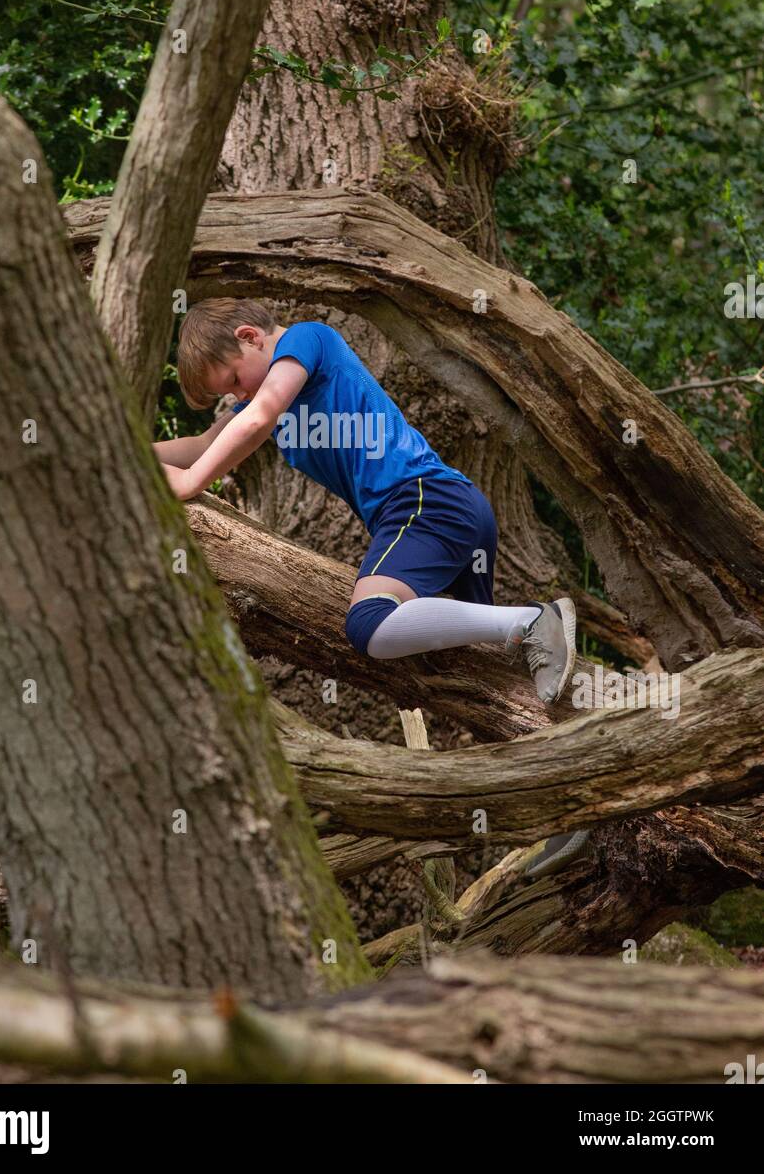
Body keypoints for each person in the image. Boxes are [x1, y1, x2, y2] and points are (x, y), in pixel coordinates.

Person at [155, 298, 589, 880]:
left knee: (369, 626)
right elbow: (201, 445)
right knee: (493, 681)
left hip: (422, 502)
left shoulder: (303, 341)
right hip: (452, 512)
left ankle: (534, 619)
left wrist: (188, 484)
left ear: (251, 336)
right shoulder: (259, 398)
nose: (234, 396)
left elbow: (253, 420)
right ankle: (577, 801)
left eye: (233, 379)